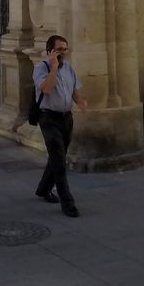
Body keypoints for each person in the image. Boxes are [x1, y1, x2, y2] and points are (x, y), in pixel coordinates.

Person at [31, 33, 86, 217]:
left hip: (66, 118)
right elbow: (46, 89)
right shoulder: (41, 68)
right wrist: (53, 66)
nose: (64, 53)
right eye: (60, 49)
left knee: (57, 156)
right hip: (48, 119)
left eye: (65, 49)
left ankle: (43, 189)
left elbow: (74, 91)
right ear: (50, 51)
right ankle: (67, 203)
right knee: (60, 161)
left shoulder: (69, 68)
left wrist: (81, 102)